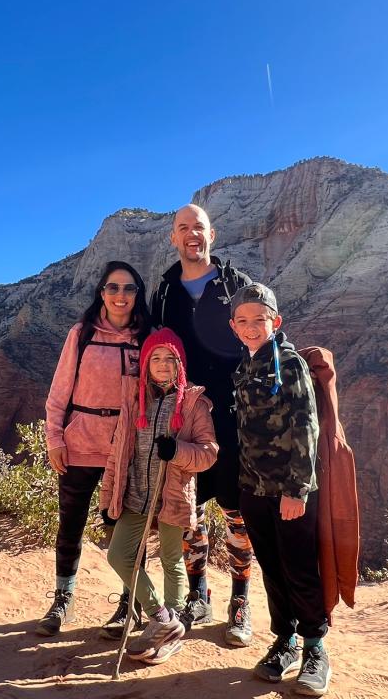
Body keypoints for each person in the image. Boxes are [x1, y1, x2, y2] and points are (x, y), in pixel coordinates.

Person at [150, 203, 255, 646]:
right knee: (189, 509)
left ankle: (241, 602)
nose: (191, 235)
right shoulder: (164, 294)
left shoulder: (237, 285)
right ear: (173, 238)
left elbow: (262, 337)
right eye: (183, 228)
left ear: (213, 235)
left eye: (199, 228)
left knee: (236, 511)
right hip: (185, 417)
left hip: (233, 417)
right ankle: (198, 594)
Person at [35, 261, 151, 637]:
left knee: (125, 530)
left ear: (138, 294)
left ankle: (129, 606)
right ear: (101, 292)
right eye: (113, 288)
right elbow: (59, 391)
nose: (121, 296)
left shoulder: (147, 337)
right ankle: (62, 600)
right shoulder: (81, 334)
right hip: (80, 442)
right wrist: (55, 437)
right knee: (71, 524)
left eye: (129, 289)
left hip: (126, 449)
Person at [229, 282, 332, 696]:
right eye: (244, 321)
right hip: (252, 490)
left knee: (300, 569)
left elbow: (307, 426)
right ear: (233, 326)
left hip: (289, 491)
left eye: (260, 319)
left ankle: (315, 648)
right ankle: (284, 642)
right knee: (272, 569)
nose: (252, 327)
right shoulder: (244, 366)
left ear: (276, 321)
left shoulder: (288, 364)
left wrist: (297, 490)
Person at [100, 328, 218, 663]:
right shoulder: (136, 399)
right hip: (135, 492)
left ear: (180, 363)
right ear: (147, 364)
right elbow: (117, 452)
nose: (163, 365)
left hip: (173, 495)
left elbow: (208, 453)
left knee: (171, 559)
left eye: (170, 358)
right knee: (119, 556)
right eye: (157, 358)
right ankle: (162, 618)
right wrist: (108, 496)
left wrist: (177, 450)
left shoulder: (195, 402)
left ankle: (173, 621)